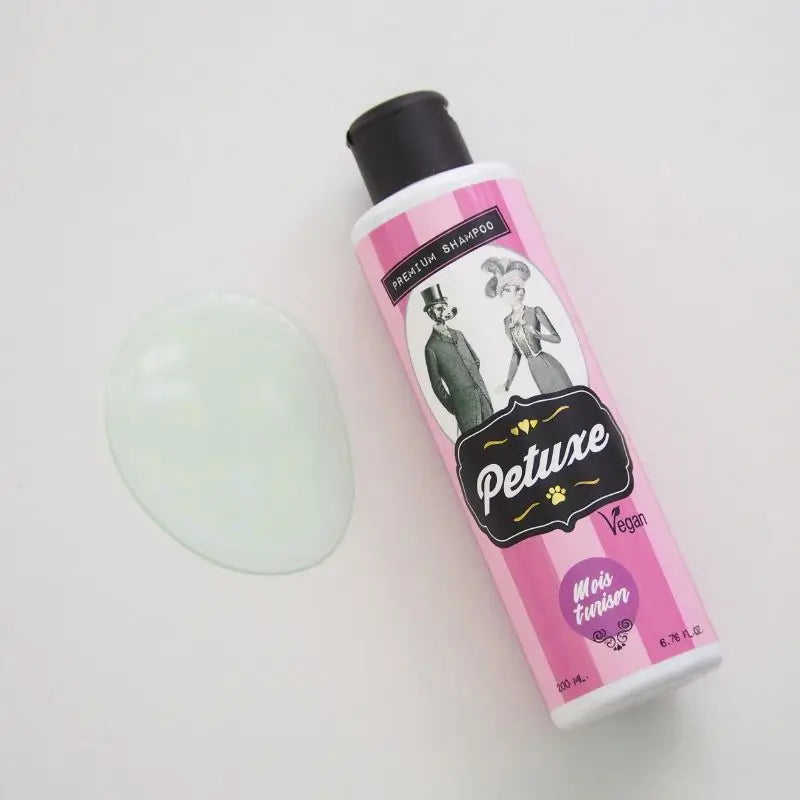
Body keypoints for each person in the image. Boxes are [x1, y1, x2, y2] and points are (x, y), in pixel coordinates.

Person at [482, 258, 572, 394]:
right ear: (503, 293)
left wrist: (537, 334)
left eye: (519, 288)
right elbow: (516, 354)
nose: (518, 292)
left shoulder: (535, 311)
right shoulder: (507, 321)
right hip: (534, 369)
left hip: (547, 364)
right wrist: (508, 383)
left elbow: (556, 338)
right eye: (510, 289)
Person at [422, 284, 493, 435]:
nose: (443, 312)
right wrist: (454, 406)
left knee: (497, 433)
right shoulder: (431, 347)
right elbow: (437, 386)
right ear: (430, 313)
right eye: (439, 309)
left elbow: (476, 360)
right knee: (476, 442)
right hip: (464, 406)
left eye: (444, 307)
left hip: (483, 395)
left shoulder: (458, 334)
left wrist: (472, 380)